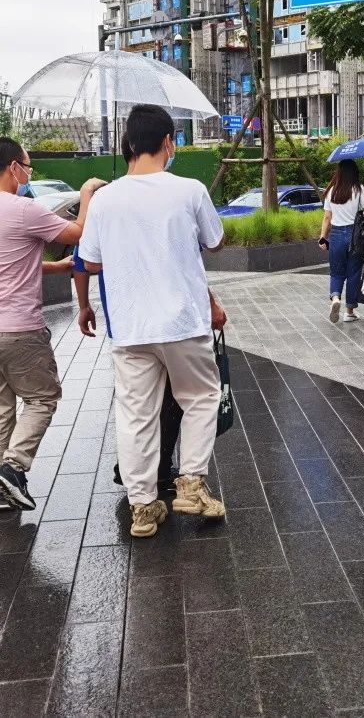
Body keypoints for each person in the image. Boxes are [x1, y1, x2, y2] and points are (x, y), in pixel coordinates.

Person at [79, 104, 226, 539]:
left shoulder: (105, 199)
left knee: (136, 414)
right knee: (201, 397)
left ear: (129, 144)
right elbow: (215, 242)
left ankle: (143, 508)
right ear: (168, 142)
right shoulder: (189, 190)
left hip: (130, 327)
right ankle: (191, 485)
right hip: (182, 321)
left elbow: (89, 261)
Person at [0, 137, 106, 511]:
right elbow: (79, 233)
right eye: (28, 166)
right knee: (43, 398)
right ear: (13, 167)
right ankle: (13, 468)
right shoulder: (23, 209)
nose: (28, 174)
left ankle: (3, 487)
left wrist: (51, 267)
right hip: (16, 328)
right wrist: (87, 191)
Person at [318, 159, 364, 323]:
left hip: (336, 235)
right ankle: (349, 311)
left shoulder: (332, 191)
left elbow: (327, 217)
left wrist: (323, 237)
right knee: (353, 273)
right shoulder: (359, 189)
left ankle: (336, 297)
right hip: (355, 235)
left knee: (336, 272)